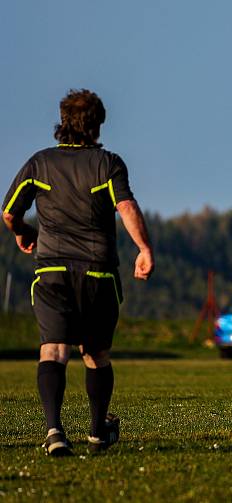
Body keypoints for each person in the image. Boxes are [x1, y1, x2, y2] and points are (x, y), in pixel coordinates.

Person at [2, 89, 153, 456]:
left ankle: (54, 431)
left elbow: (8, 213)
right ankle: (98, 431)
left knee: (52, 351)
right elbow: (127, 206)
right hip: (98, 273)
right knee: (95, 353)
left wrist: (25, 232)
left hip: (51, 269)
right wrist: (144, 249)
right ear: (98, 124)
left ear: (63, 122)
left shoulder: (40, 163)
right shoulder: (108, 163)